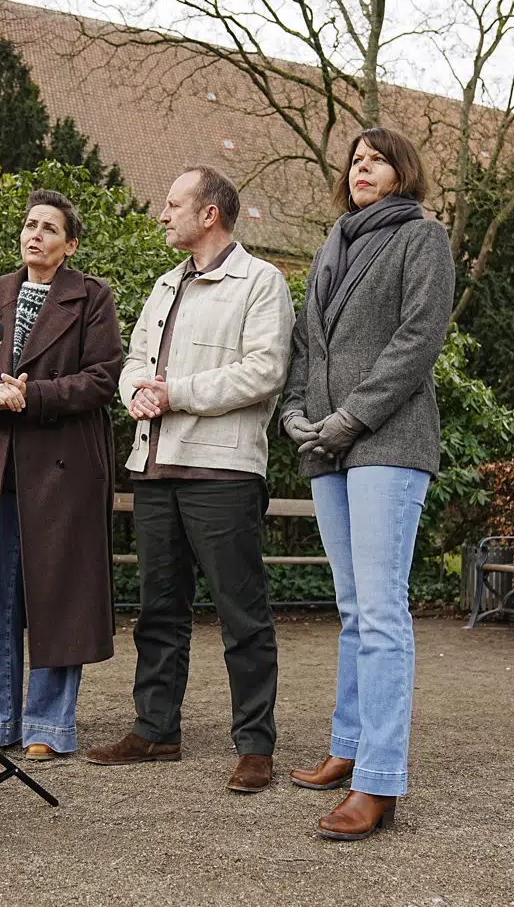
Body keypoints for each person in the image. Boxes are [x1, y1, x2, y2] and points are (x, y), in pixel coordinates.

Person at [86, 166, 294, 793]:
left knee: (242, 613)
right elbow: (134, 365)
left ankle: (255, 745)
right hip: (153, 468)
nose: (162, 213)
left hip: (223, 473)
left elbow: (264, 372)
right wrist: (137, 397)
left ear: (210, 213)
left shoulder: (262, 282)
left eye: (173, 203)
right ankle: (155, 730)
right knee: (158, 610)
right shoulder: (163, 284)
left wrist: (176, 393)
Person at [280, 127, 453, 839]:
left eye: (376, 159)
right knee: (353, 609)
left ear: (402, 171)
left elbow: (418, 340)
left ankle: (378, 780)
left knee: (381, 611)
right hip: (326, 445)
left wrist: (352, 414)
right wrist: (295, 409)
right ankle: (347, 745)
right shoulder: (332, 243)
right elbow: (304, 343)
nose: (362, 168)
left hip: (388, 437)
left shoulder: (423, 238)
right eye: (355, 160)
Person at [0, 190, 123, 760]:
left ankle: (49, 726)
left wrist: (32, 395)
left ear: (70, 244)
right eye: (29, 224)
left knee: (57, 595)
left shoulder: (92, 297)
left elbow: (103, 377)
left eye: (48, 228)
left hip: (62, 468)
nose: (34, 233)